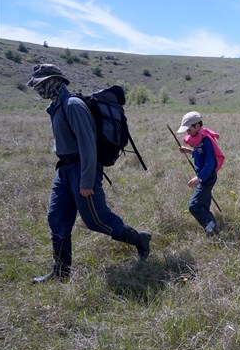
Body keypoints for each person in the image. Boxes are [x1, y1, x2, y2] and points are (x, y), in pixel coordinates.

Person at [27, 64, 151, 284]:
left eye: (41, 83)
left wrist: (86, 180)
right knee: (56, 218)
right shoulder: (56, 106)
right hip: (64, 171)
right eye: (37, 84)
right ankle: (61, 273)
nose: (38, 88)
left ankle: (141, 239)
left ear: (54, 81)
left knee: (97, 220)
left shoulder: (72, 105)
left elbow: (87, 146)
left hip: (82, 169)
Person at [177, 111, 225, 237]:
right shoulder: (197, 139)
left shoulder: (206, 140)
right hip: (204, 176)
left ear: (197, 126)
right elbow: (200, 153)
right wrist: (188, 151)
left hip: (207, 177)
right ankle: (213, 230)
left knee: (194, 206)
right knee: (203, 205)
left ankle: (212, 228)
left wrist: (199, 178)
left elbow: (210, 162)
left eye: (189, 129)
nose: (187, 132)